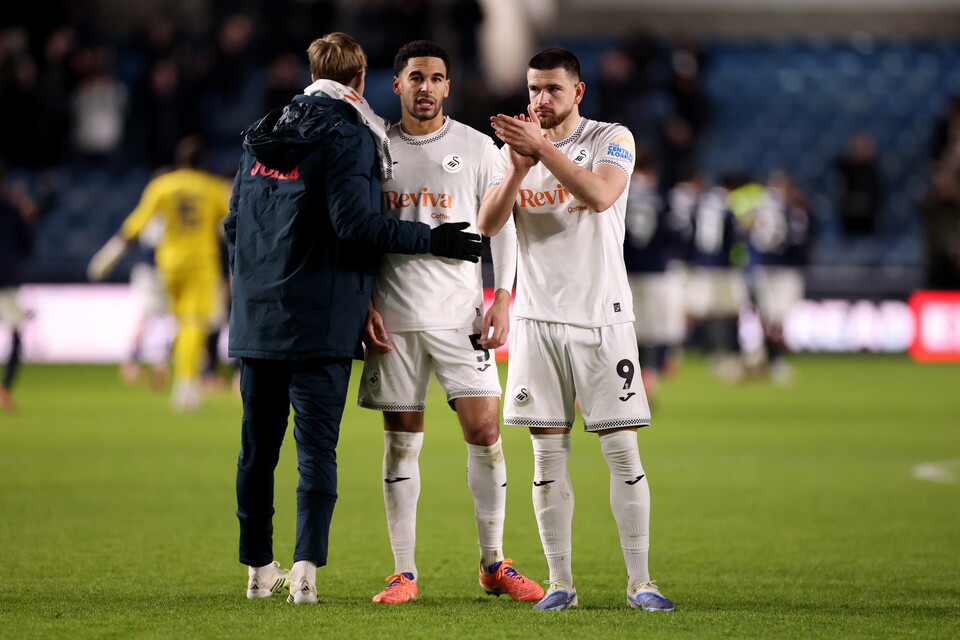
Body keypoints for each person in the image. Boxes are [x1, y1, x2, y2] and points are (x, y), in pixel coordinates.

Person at [224, 32, 482, 606]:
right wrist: (433, 238)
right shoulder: (350, 133)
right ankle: (306, 572)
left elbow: (234, 227)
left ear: (310, 70)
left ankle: (258, 570)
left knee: (256, 451)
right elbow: (356, 225)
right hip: (321, 319)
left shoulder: (262, 133)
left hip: (259, 319)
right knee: (316, 450)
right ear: (361, 81)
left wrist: (256, 286)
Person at [477, 47, 674, 612]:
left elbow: (600, 194)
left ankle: (641, 581)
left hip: (602, 318)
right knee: (546, 458)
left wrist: (539, 150)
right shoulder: (512, 150)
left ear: (578, 92)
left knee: (622, 451)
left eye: (553, 89)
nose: (541, 100)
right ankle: (561, 581)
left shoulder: (614, 138)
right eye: (534, 89)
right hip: (538, 324)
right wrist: (517, 166)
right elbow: (489, 224)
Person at [356, 40, 541, 605]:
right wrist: (362, 302)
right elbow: (358, 230)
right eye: (416, 77)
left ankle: (494, 562)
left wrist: (503, 297)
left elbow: (502, 223)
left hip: (461, 315)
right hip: (395, 316)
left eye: (437, 77)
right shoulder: (374, 147)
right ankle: (403, 573)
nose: (426, 87)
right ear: (397, 85)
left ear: (449, 86)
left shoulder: (478, 147)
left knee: (485, 433)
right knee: (400, 441)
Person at [88, 136, 230, 412]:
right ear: (204, 162)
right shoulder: (213, 188)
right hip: (200, 263)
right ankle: (186, 384)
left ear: (179, 161)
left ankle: (186, 382)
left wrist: (108, 255)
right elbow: (233, 222)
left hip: (169, 264)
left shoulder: (162, 185)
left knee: (183, 322)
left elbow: (137, 222)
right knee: (195, 323)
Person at [623, 148, 689, 403]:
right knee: (652, 331)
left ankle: (622, 382)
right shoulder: (662, 198)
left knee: (625, 329)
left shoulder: (620, 193)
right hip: (656, 272)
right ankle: (648, 379)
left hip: (624, 271)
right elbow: (677, 235)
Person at [0, 168, 38, 413]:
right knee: (15, 336)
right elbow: (27, 245)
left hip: (7, 280)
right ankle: (5, 389)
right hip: (6, 281)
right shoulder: (11, 210)